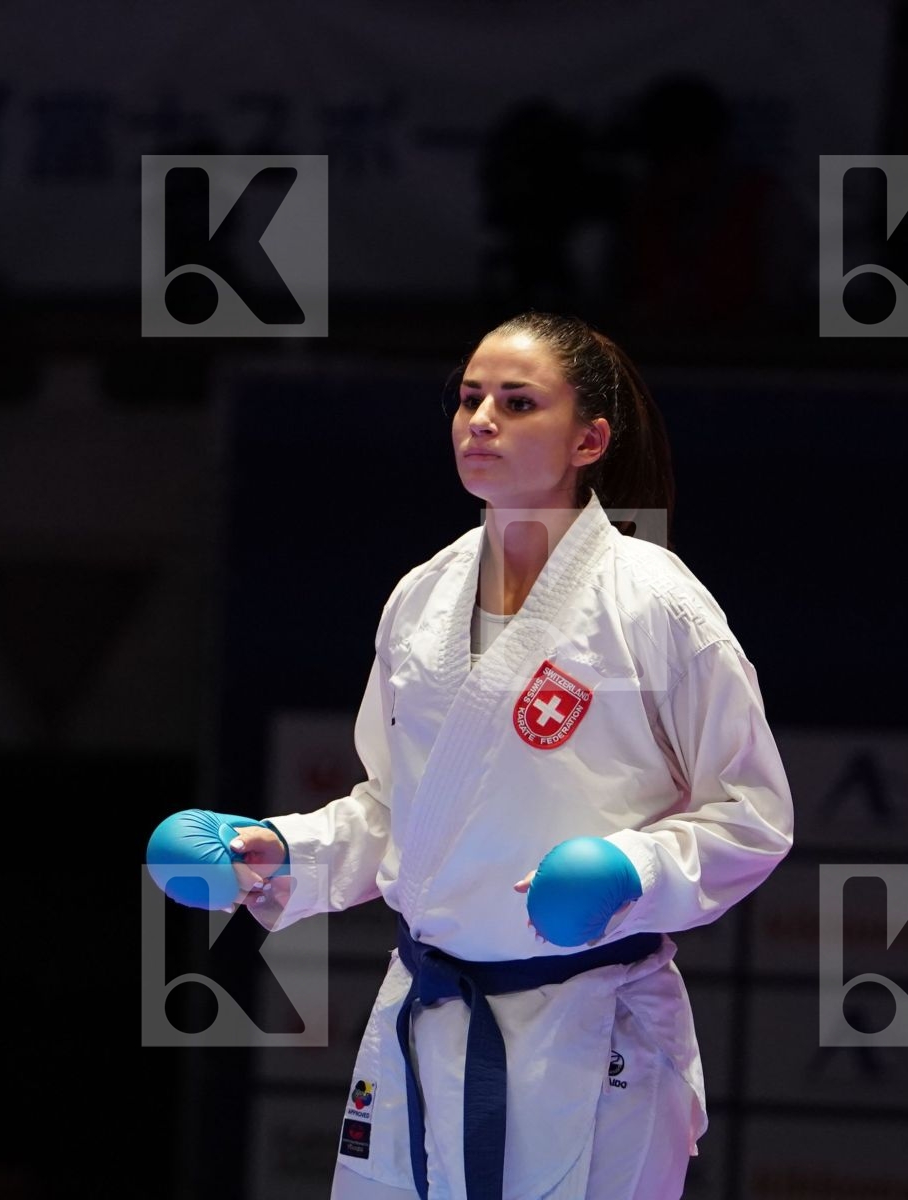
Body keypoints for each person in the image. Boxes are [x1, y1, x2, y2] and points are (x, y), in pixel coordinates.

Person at [224, 312, 794, 1199]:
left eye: (517, 402)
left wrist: (630, 867)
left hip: (587, 1032)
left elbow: (753, 815)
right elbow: (395, 808)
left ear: (589, 439)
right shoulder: (421, 597)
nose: (480, 419)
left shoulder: (654, 604)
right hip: (423, 1017)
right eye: (468, 398)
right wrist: (291, 850)